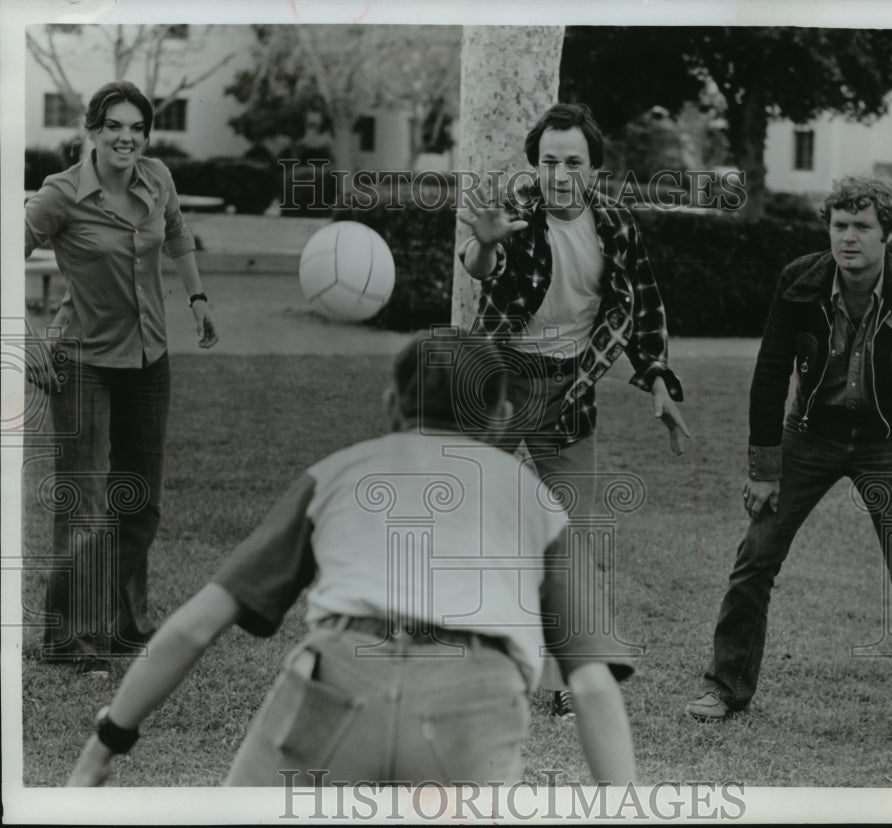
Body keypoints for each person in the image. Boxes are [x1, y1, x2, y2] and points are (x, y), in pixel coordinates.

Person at [66, 330, 638, 787]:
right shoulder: (534, 496)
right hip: (475, 698)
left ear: (391, 404)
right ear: (501, 415)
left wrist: (105, 744)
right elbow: (590, 686)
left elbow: (194, 628)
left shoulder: (339, 471)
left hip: (336, 682)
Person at [684, 176, 892, 747]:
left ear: (890, 233)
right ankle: (726, 685)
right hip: (809, 435)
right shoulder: (799, 282)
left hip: (888, 442)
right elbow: (769, 374)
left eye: (862, 227)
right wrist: (764, 467)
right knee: (755, 557)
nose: (849, 238)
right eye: (839, 225)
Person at [458, 102, 690, 719]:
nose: (560, 174)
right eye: (549, 161)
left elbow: (642, 306)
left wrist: (658, 379)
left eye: (573, 162)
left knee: (576, 540)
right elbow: (485, 267)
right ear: (536, 165)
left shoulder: (615, 224)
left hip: (570, 391)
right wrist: (481, 248)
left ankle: (567, 678)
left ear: (593, 169)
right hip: (502, 383)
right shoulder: (516, 212)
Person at [24, 81, 219, 672]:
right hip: (82, 362)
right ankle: (80, 640)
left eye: (137, 127)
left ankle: (121, 625)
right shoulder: (60, 195)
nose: (127, 137)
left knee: (141, 504)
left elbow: (178, 231)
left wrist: (198, 297)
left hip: (149, 359)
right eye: (115, 126)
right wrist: (25, 335)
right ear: (93, 130)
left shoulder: (157, 178)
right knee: (84, 508)